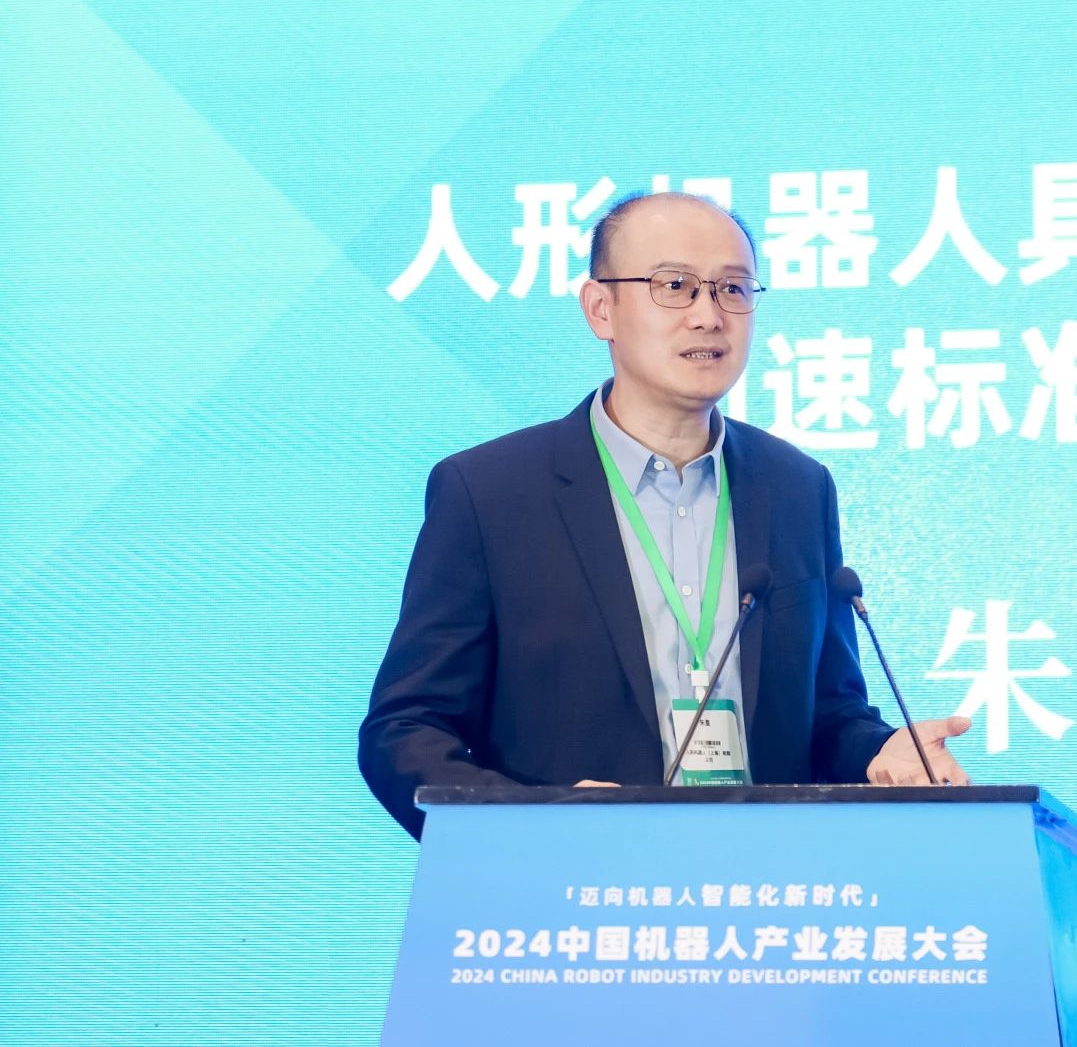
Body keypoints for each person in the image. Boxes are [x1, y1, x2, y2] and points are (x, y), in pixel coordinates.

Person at [359, 192, 969, 840]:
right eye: (675, 286)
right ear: (601, 309)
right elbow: (405, 731)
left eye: (733, 289)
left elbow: (830, 714)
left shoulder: (797, 488)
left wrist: (880, 750)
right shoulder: (491, 493)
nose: (709, 316)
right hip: (577, 884)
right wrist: (534, 824)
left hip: (762, 879)